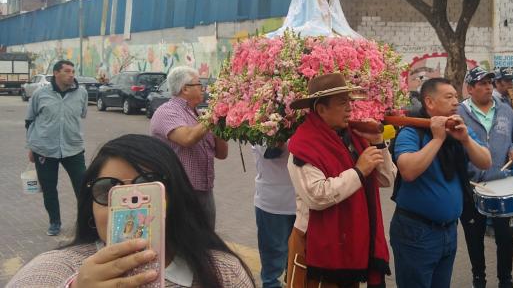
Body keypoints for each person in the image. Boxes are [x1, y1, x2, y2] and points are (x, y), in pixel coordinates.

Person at [7, 134, 255, 288]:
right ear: (90, 207)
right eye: (108, 191)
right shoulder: (52, 270)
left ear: (176, 198)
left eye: (147, 189)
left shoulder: (224, 273)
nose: (129, 210)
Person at [285, 73, 395, 288]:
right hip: (317, 246)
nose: (349, 109)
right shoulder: (304, 145)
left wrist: (378, 143)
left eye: (350, 102)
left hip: (350, 243)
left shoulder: (355, 138)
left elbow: (386, 179)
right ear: (321, 109)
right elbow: (317, 196)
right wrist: (359, 171)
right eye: (342, 103)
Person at [390, 77, 492, 288]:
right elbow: (408, 171)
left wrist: (465, 139)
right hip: (416, 233)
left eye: (456, 96)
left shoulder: (457, 127)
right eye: (449, 97)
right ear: (429, 102)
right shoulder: (411, 130)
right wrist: (437, 139)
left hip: (448, 231)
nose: (456, 101)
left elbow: (485, 161)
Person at [458, 67, 513, 288]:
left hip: (501, 186)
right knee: (474, 236)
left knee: (505, 238)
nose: (489, 86)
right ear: (470, 89)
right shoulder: (458, 113)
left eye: (491, 82)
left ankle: (505, 279)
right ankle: (478, 278)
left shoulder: (506, 110)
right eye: (482, 83)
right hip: (471, 187)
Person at [150, 66, 228, 229]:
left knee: (206, 244)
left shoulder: (198, 114)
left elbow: (222, 153)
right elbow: (188, 138)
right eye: (198, 84)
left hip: (205, 190)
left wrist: (221, 123)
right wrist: (214, 113)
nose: (203, 88)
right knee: (184, 245)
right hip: (180, 191)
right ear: (185, 88)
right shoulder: (166, 112)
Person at [25, 59, 88, 236]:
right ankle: (55, 222)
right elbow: (30, 120)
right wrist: (31, 147)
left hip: (73, 148)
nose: (71, 75)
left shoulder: (82, 93)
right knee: (49, 188)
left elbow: (82, 114)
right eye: (67, 71)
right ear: (56, 73)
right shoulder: (40, 94)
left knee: (83, 186)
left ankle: (87, 222)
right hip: (44, 149)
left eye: (73, 71)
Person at [251, 142, 296, 288]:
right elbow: (271, 152)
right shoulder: (259, 121)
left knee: (297, 267)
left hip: (303, 204)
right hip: (273, 207)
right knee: (272, 272)